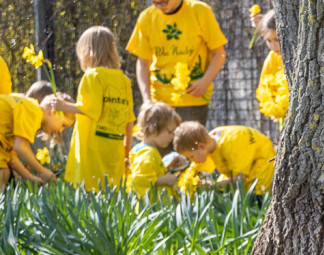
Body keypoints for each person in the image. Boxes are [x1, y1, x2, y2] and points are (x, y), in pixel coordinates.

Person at [54, 27, 135, 191]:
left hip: (92, 148)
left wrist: (62, 106)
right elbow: (129, 120)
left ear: (87, 52)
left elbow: (89, 108)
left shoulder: (92, 76)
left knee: (90, 191)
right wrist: (127, 150)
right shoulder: (123, 80)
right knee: (111, 192)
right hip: (114, 146)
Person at [127, 0, 227, 130]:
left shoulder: (200, 11)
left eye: (163, 2)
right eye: (155, 2)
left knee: (188, 149)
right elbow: (142, 62)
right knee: (158, 150)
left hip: (192, 99)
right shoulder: (146, 17)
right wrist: (147, 100)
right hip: (159, 102)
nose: (159, 6)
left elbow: (219, 54)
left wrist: (205, 82)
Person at [173, 121, 275, 194]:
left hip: (262, 158)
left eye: (191, 157)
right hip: (241, 163)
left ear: (201, 146)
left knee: (255, 194)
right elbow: (195, 168)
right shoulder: (210, 142)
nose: (192, 161)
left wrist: (212, 186)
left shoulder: (230, 145)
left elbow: (239, 178)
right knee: (223, 190)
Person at [0, 93, 74, 189]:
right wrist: (42, 171)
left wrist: (31, 178)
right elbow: (20, 147)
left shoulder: (28, 111)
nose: (60, 130)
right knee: (3, 174)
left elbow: (11, 157)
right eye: (63, 125)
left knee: (4, 172)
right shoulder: (33, 112)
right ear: (54, 112)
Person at [130, 101, 184, 197]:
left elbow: (150, 173)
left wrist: (169, 168)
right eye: (170, 131)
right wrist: (166, 180)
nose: (172, 136)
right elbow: (139, 179)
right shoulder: (147, 153)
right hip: (150, 206)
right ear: (153, 128)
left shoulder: (146, 150)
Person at [253, 9, 288, 124]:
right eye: (268, 41)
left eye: (277, 40)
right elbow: (265, 87)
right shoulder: (273, 58)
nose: (273, 46)